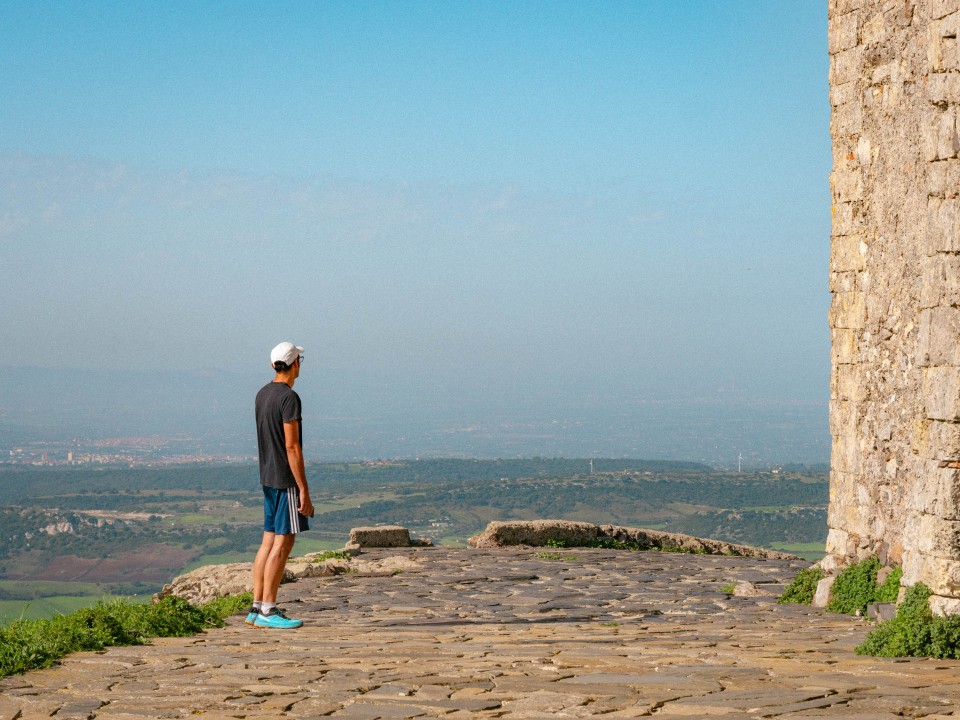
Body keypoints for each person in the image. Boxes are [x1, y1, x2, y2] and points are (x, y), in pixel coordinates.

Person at [247, 341, 314, 629]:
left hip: (267, 476)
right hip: (285, 479)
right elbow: (292, 447)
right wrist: (304, 490)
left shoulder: (263, 394)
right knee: (283, 543)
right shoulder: (289, 398)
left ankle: (256, 607)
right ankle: (268, 609)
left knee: (267, 542)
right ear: (294, 364)